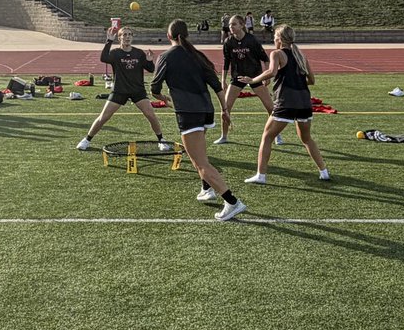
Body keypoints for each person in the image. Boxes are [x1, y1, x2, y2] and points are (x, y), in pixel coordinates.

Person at [150, 19, 246, 222]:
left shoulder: (166, 56)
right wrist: (225, 109)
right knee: (199, 155)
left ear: (170, 37)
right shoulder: (198, 55)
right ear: (186, 36)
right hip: (205, 111)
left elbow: (154, 88)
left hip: (188, 112)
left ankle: (232, 202)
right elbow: (217, 87)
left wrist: (163, 99)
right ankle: (206, 188)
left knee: (199, 162)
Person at [242, 24, 331, 184]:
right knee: (307, 139)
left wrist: (253, 80)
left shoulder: (277, 53)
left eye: (275, 37)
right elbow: (311, 80)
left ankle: (261, 175)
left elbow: (272, 72)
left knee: (267, 137)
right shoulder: (301, 56)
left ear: (280, 39)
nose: (273, 39)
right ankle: (324, 171)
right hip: (304, 102)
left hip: (286, 102)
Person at [77, 26, 171, 151]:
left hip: (138, 91)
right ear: (119, 38)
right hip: (119, 90)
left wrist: (149, 60)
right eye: (124, 34)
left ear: (132, 37)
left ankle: (161, 140)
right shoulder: (115, 53)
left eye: (129, 34)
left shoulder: (139, 53)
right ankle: (86, 140)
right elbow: (103, 58)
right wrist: (109, 40)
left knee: (151, 115)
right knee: (103, 117)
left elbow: (150, 69)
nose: (127, 37)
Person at [214, 14, 282, 147]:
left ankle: (277, 135)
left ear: (242, 25)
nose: (231, 27)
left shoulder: (252, 40)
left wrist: (266, 76)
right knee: (225, 108)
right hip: (237, 78)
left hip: (254, 78)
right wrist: (223, 80)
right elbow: (226, 62)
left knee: (270, 108)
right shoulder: (228, 42)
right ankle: (224, 136)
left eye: (234, 24)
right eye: (229, 25)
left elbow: (265, 58)